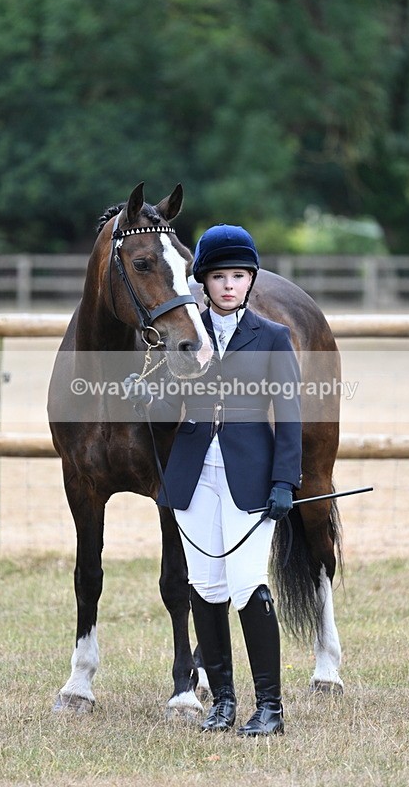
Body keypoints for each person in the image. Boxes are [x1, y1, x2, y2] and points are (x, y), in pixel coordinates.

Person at [124, 224, 302, 736]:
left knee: (248, 585)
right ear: (202, 280)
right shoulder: (185, 336)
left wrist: (285, 481)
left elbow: (288, 414)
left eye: (239, 276)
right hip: (195, 475)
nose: (228, 285)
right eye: (219, 276)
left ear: (250, 281)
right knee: (205, 585)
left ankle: (270, 706)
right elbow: (166, 409)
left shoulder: (273, 337)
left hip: (252, 476)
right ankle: (223, 701)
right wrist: (146, 394)